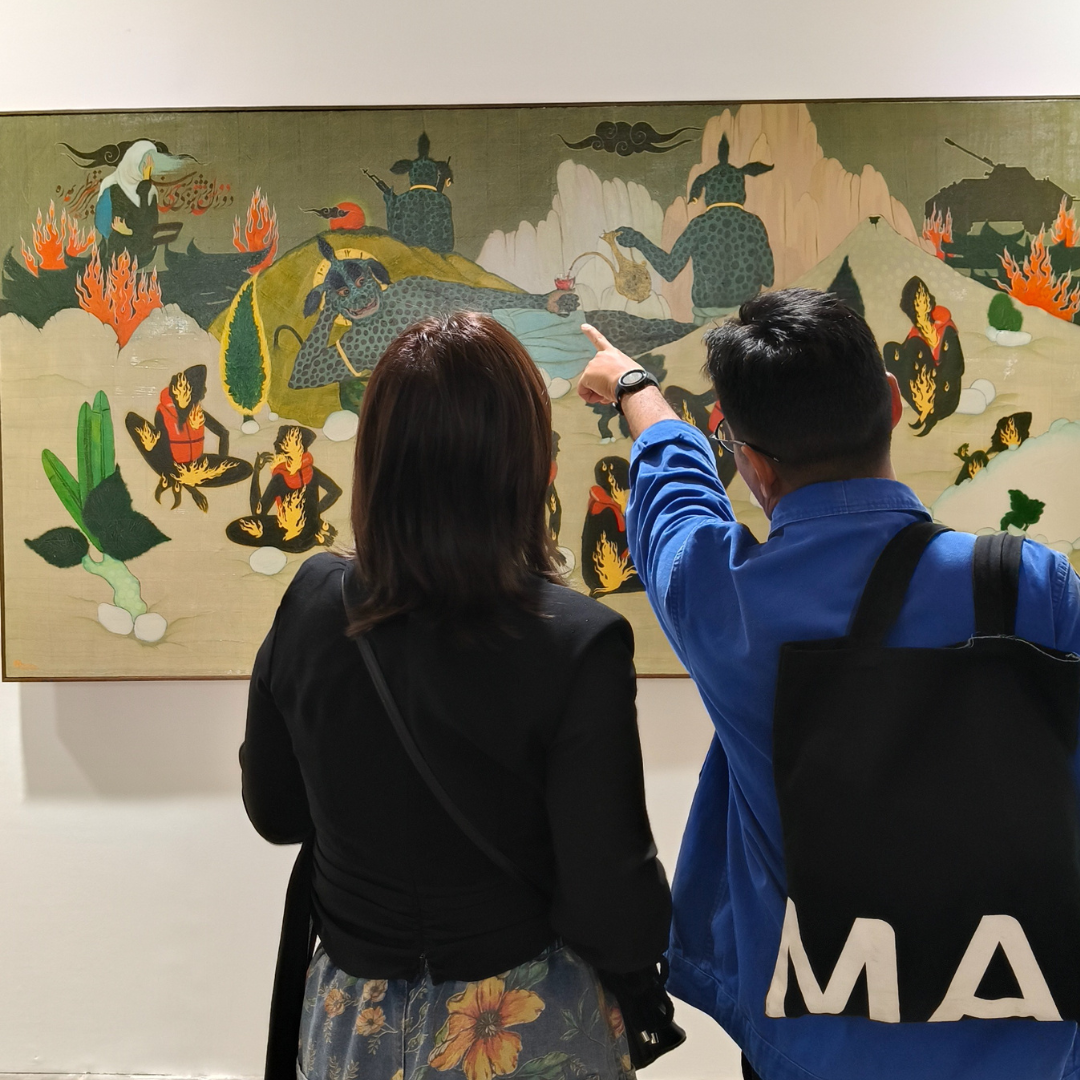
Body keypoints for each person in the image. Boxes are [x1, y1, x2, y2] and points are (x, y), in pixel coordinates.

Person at [576, 288, 1080, 1080]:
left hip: (820, 1044)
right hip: (1029, 1040)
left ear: (751, 463)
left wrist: (633, 386)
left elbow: (676, 499)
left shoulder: (727, 601)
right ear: (892, 402)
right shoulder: (1030, 585)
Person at [242, 311, 671, 1080]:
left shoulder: (312, 600)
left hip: (353, 1024)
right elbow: (617, 915)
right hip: (526, 1026)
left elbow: (276, 813)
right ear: (528, 462)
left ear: (376, 458)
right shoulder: (579, 641)